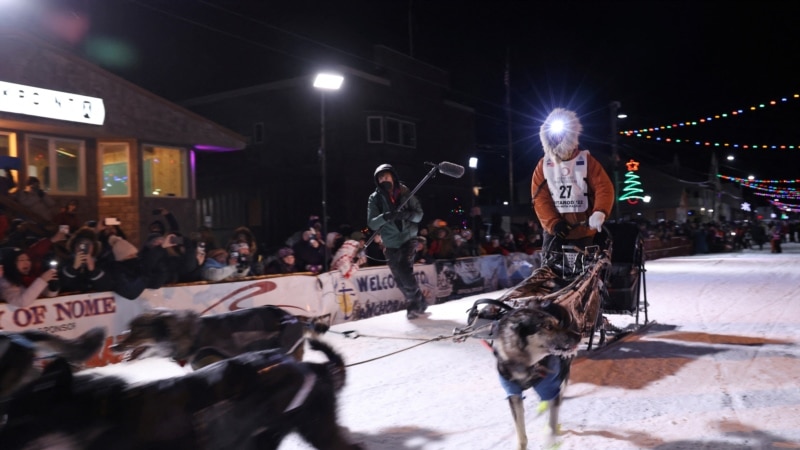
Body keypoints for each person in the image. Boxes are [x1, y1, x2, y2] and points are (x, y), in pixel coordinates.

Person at [532, 108, 614, 253]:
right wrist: (553, 223)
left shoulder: (586, 160)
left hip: (584, 228)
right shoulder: (543, 165)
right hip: (555, 231)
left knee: (584, 272)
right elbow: (540, 198)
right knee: (550, 270)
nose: (558, 138)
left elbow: (603, 187)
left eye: (562, 135)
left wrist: (599, 212)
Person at [367, 163, 426, 319]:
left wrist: (406, 215)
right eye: (380, 177)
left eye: (386, 175)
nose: (383, 179)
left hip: (408, 238)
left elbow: (419, 215)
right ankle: (419, 299)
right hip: (391, 242)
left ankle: (414, 302)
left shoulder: (405, 193)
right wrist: (385, 216)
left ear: (393, 176)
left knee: (404, 269)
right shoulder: (375, 198)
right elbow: (372, 223)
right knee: (399, 278)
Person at [58, 226, 114, 294]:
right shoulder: (64, 261)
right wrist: (73, 269)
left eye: (88, 245)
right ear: (74, 246)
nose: (84, 248)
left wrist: (93, 270)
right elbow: (59, 286)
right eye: (80, 244)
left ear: (94, 247)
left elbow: (107, 287)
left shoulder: (102, 262)